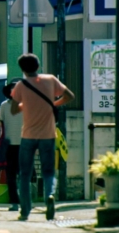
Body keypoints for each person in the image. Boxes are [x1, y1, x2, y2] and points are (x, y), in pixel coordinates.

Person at [10, 54, 74, 222]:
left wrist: (26, 105)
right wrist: (53, 104)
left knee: (24, 173)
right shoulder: (51, 80)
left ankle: (25, 210)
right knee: (48, 171)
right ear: (38, 66)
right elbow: (69, 96)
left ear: (22, 69)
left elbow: (14, 110)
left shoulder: (20, 86)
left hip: (28, 135)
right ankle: (50, 196)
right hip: (48, 135)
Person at [0, 79, 23, 211]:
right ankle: (15, 201)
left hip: (25, 145)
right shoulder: (4, 106)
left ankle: (22, 201)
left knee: (23, 175)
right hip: (9, 146)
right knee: (11, 175)